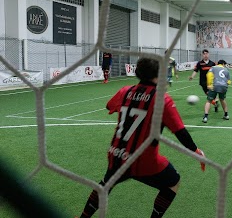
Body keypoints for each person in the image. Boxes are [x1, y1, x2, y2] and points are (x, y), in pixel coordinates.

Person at [77, 58, 206, 218]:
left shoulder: (125, 91)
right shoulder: (162, 99)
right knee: (173, 182)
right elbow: (181, 132)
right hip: (143, 160)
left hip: (117, 153)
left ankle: (83, 216)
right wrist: (196, 151)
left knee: (105, 185)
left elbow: (109, 106)